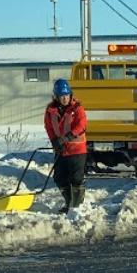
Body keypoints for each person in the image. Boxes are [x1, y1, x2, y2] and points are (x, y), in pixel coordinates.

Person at [45, 78, 88, 213]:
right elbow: (49, 127)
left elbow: (81, 125)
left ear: (70, 94)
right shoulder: (50, 110)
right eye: (62, 96)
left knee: (76, 179)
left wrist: (67, 137)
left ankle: (76, 206)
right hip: (61, 150)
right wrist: (54, 142)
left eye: (67, 95)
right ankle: (69, 202)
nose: (65, 99)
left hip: (77, 150)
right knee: (59, 178)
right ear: (56, 97)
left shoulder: (77, 108)